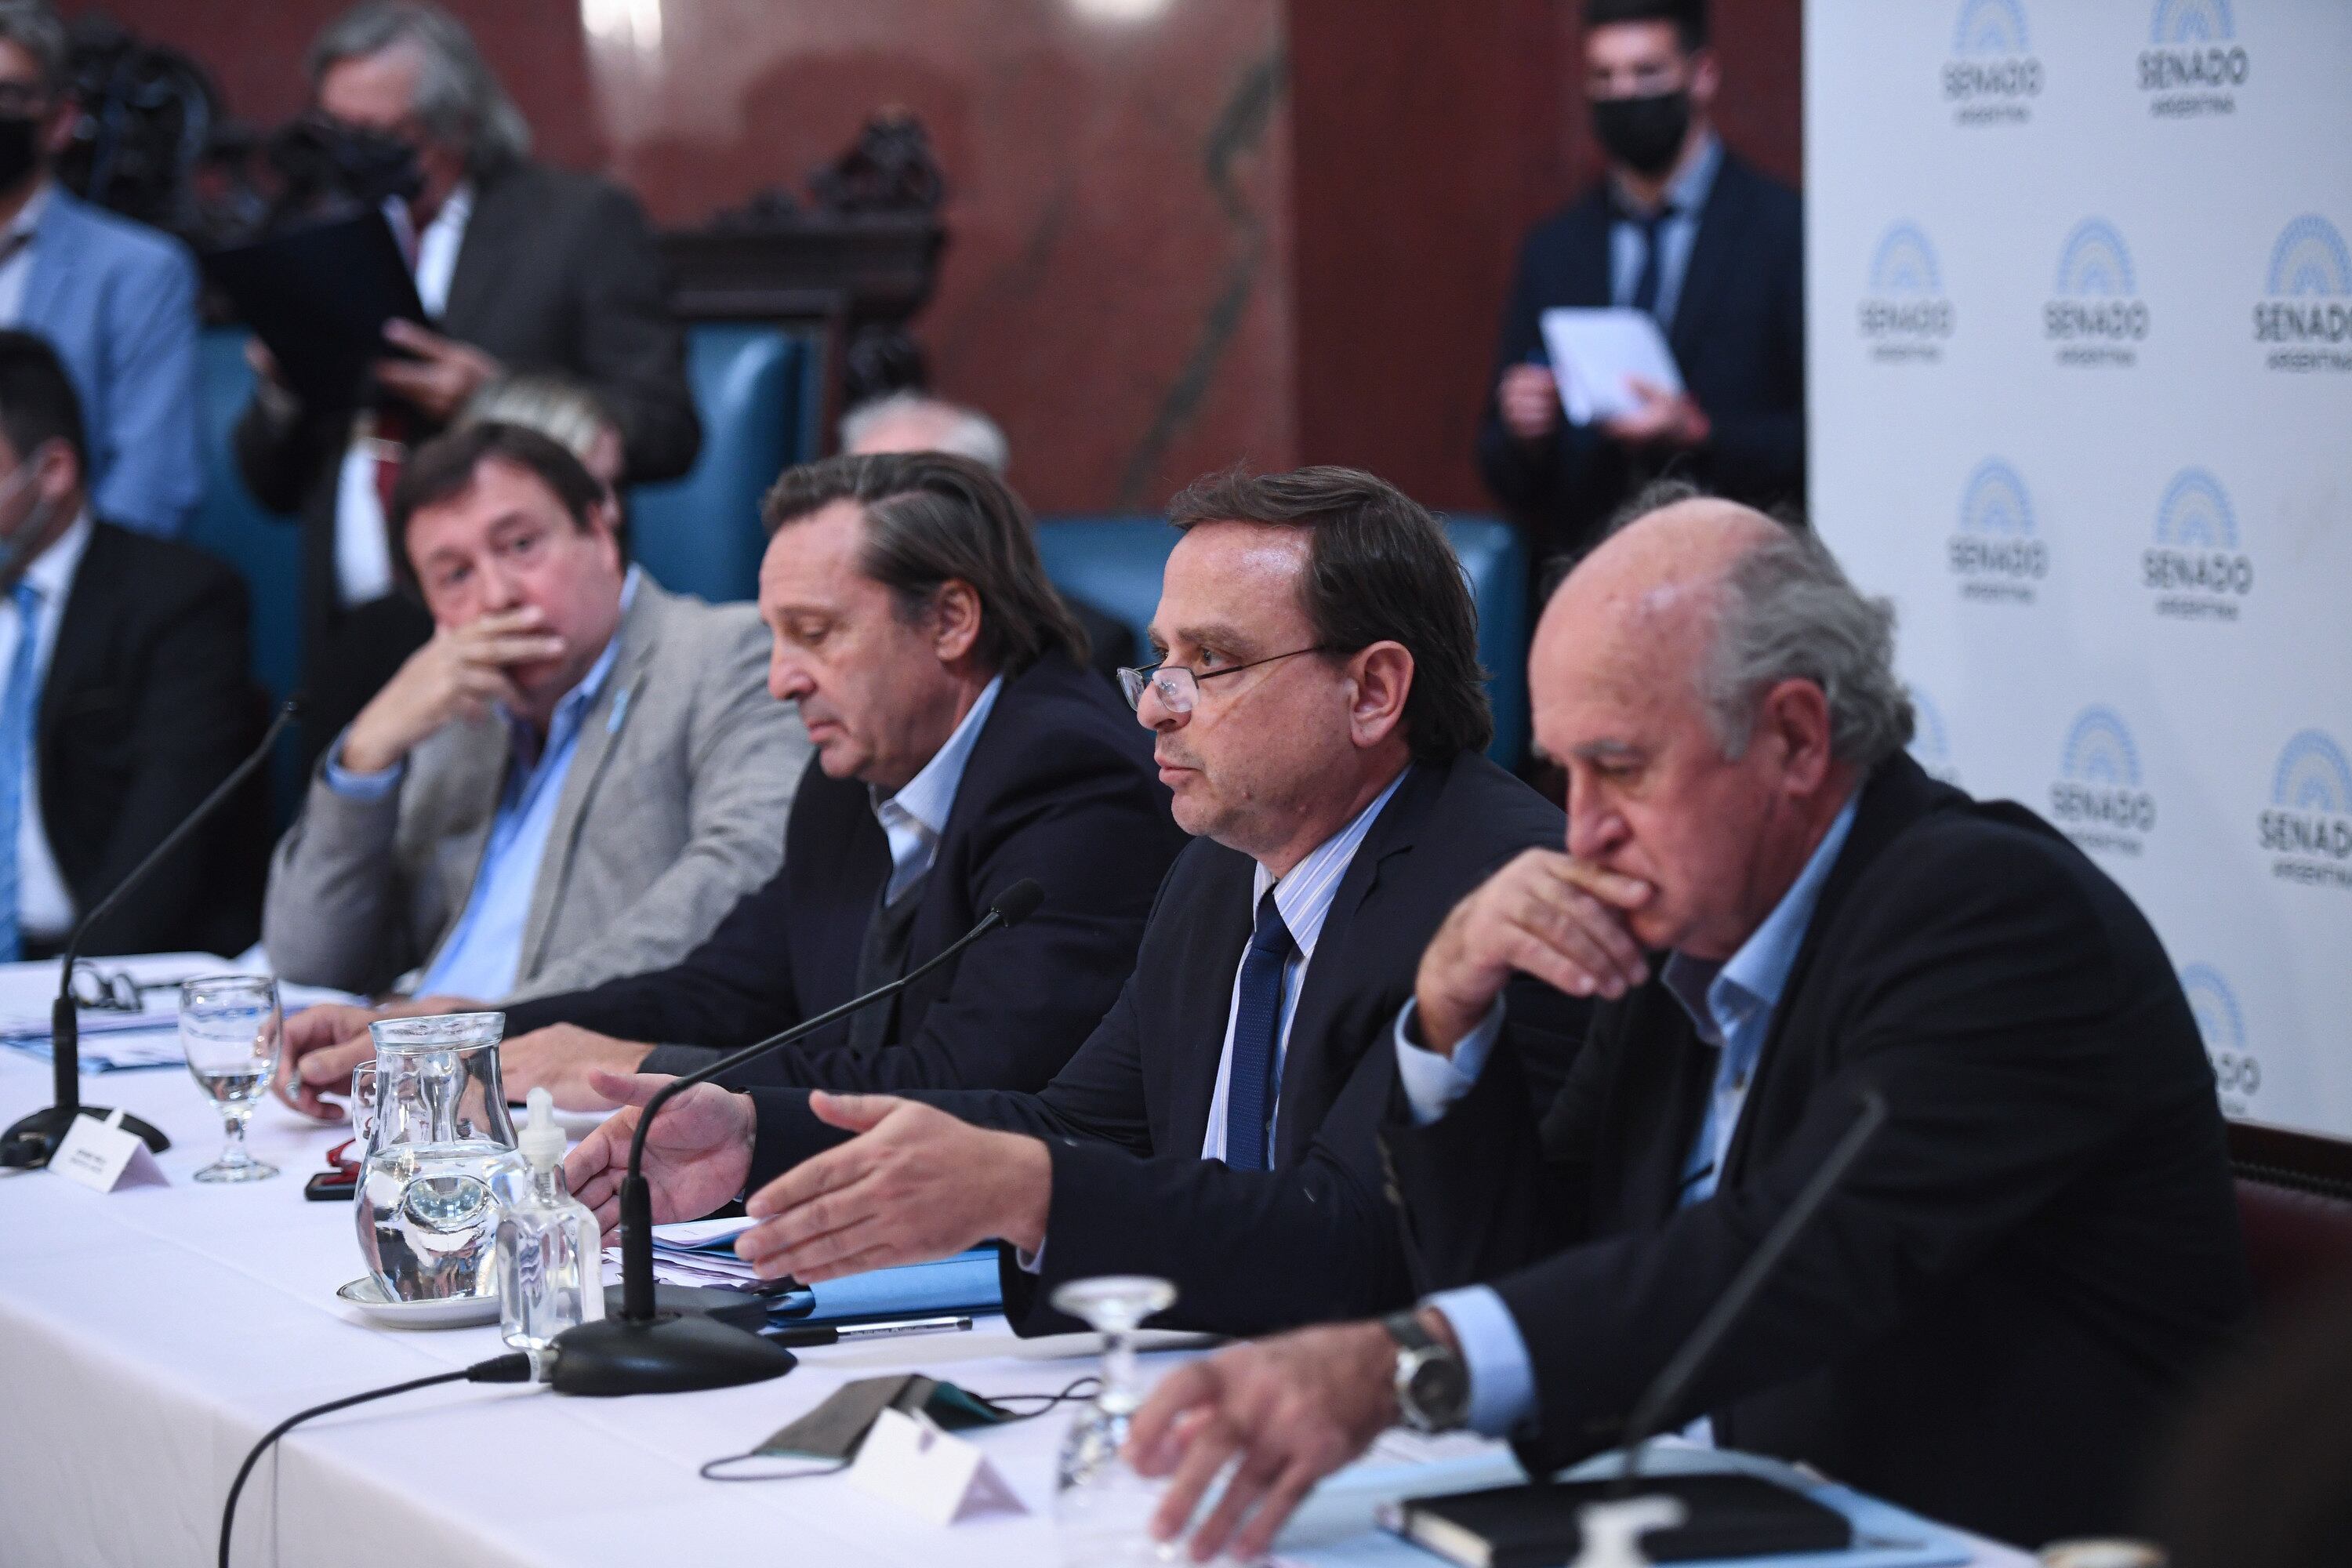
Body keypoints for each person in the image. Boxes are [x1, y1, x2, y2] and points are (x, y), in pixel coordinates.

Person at [1124, 489, 2251, 1559]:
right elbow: (1529, 1278)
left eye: (1621, 769)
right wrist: (1449, 1025)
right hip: (1704, 1523)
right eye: (1566, 774)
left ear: (1795, 739)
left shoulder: (1988, 919)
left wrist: (1398, 1363)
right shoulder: (1677, 939)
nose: (1583, 833)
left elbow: (1789, 1255)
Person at [561, 467, 1581, 1338]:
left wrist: (1036, 1192)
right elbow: (1075, 1125)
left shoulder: (1497, 894)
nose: (1156, 705)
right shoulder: (1221, 870)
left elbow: (1362, 1245)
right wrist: (755, 1134)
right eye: (1162, 659)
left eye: (1211, 663)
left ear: (1373, 691)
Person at [274, 451, 1180, 1121]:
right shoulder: (854, 769)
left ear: (949, 620)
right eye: (777, 637)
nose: (783, 679)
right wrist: (478, 1029)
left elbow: (969, 1084)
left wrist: (640, 1069)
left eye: (815, 633)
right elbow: (719, 986)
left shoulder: (1072, 780)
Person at [233, 2, 699, 768]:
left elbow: (665, 427)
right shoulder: (314, 233)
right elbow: (270, 485)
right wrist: (284, 385)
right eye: (334, 133)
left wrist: (493, 399)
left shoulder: (577, 223)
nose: (351, 158)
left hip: (520, 638)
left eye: (377, 136)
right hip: (351, 635)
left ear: (454, 124)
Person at [262, 422, 808, 1004]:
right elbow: (309, 961)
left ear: (599, 532)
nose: (497, 596)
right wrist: (367, 752)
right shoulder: (455, 713)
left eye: (521, 546)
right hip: (415, 1048)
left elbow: (741, 886)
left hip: (559, 1052)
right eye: (456, 575)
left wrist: (489, 1026)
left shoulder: (728, 657)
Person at [1478, 0, 1802, 564]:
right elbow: (1501, 468)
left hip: (1739, 574)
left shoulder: (1782, 231)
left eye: (1646, 73)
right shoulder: (1556, 249)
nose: (1624, 95)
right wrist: (1524, 430)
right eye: (1604, 78)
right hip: (1588, 572)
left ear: (1701, 74)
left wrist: (1701, 433)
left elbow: (1822, 441)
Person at [0, 330, 259, 956]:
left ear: (53, 472)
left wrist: (62, 988)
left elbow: (162, 847)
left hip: (103, 969)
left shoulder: (181, 602)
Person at [0, 2, 201, 539]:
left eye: (7, 96)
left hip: (61, 580)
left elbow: (152, 485)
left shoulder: (138, 272)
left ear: (61, 119)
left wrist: (53, 583)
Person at [841, 387, 1136, 681]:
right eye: (851, 492)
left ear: (980, 508)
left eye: (891, 502)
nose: (857, 519)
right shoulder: (827, 623)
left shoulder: (1082, 649)